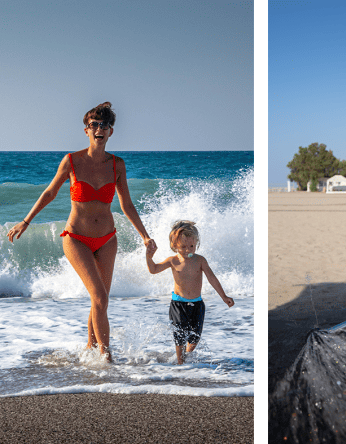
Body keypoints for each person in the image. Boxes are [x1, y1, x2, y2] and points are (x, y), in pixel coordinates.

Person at [6, 102, 155, 362]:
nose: (99, 129)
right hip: (76, 238)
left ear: (111, 132)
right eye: (94, 125)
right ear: (86, 130)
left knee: (101, 300)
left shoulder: (117, 165)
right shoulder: (72, 161)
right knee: (99, 297)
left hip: (108, 239)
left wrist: (144, 236)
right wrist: (26, 221)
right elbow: (50, 193)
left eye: (104, 125)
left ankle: (90, 347)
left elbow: (126, 204)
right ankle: (106, 357)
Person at [145, 220, 234, 365]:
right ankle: (180, 362)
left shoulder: (200, 260)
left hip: (197, 304)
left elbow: (212, 278)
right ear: (174, 246)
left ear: (196, 243)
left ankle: (187, 355)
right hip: (178, 304)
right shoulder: (173, 261)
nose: (188, 250)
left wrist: (223, 296)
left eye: (191, 246)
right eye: (183, 247)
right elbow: (153, 269)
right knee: (179, 335)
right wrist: (149, 257)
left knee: (195, 336)